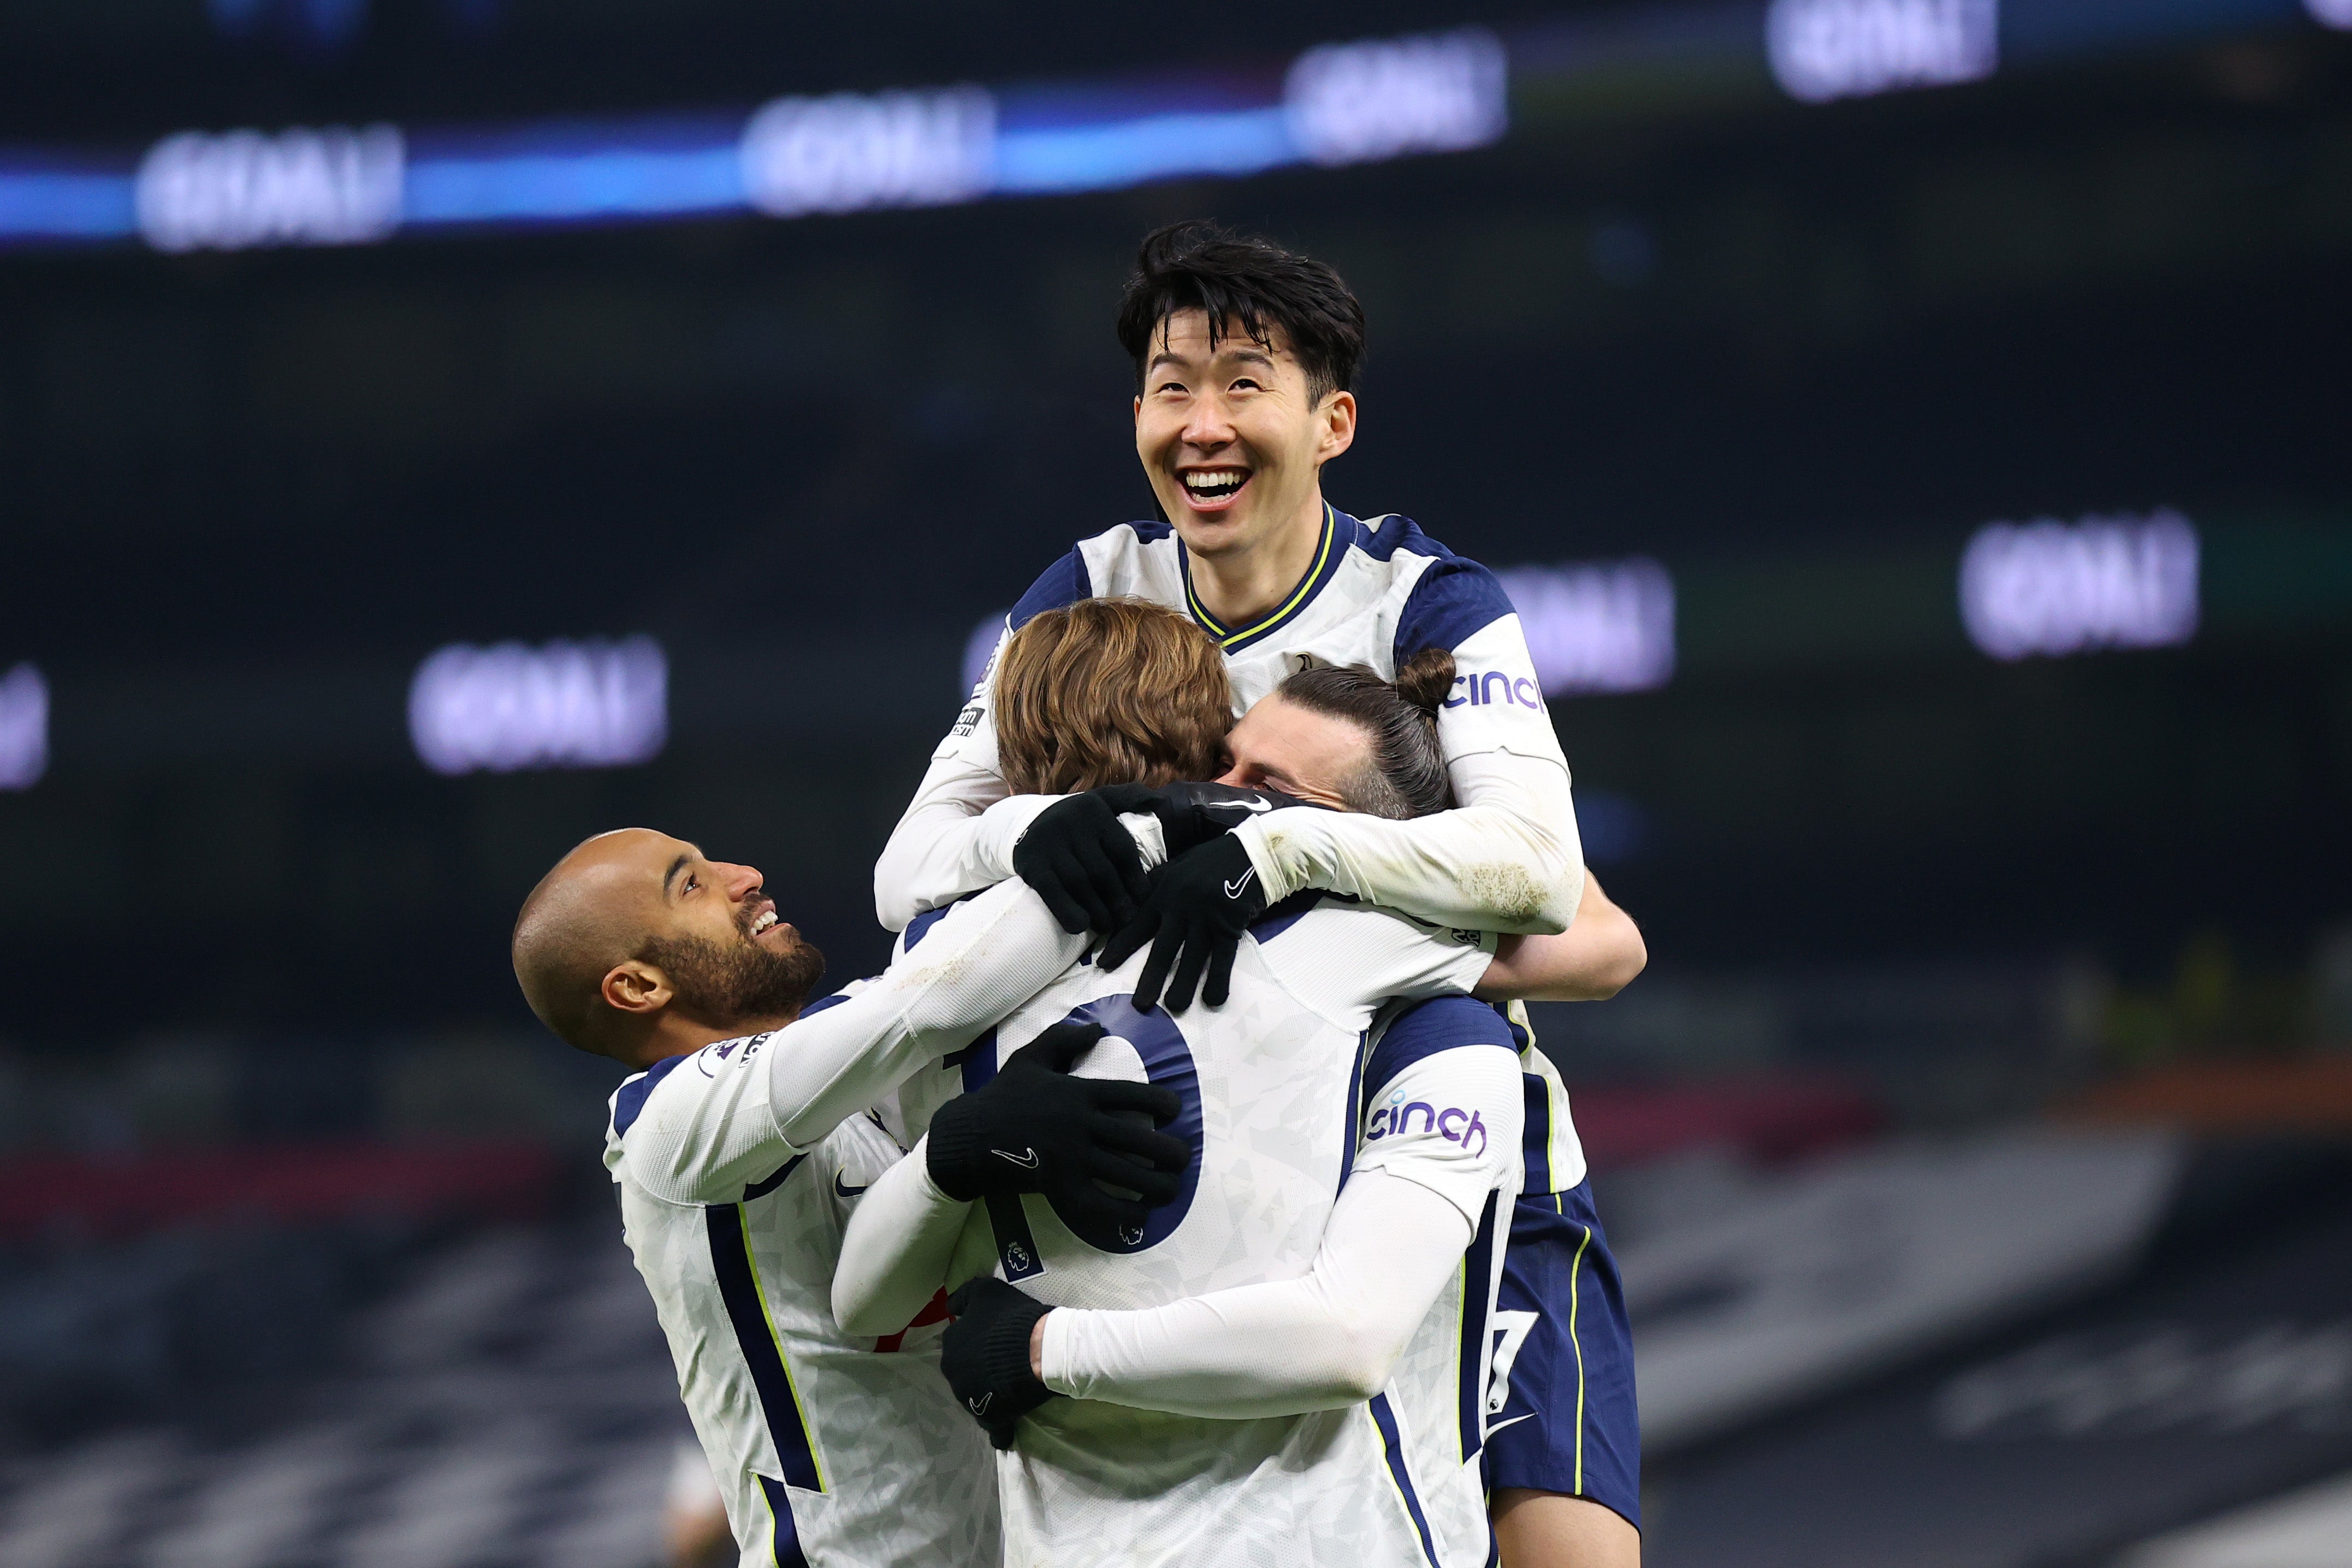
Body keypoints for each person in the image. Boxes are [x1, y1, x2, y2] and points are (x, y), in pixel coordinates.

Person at [839, 599, 1640, 1566]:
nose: (1223, 805)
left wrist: (1042, 1340)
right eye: (1223, 769)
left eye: (1267, 786)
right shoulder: (1377, 965)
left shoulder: (942, 974)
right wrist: (953, 1161)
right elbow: (1595, 934)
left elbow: (1593, 934)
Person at [511, 824, 1186, 1567]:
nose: (746, 874)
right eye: (692, 884)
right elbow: (937, 998)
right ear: (639, 987)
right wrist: (1137, 836)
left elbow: (952, 965)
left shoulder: (844, 1059)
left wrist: (1043, 840)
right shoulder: (665, 1123)